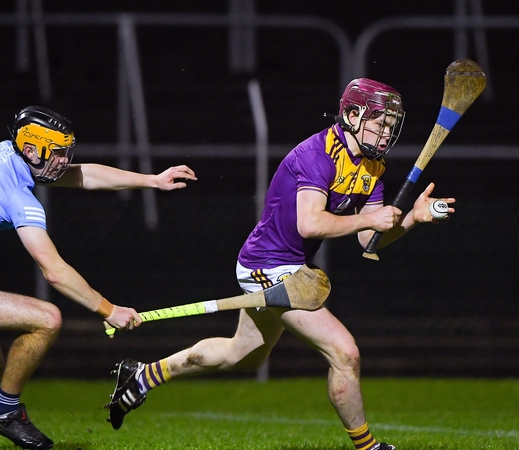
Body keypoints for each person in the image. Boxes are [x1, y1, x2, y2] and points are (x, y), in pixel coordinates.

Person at [103, 79, 456, 450]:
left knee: (242, 355)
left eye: (391, 126)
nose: (385, 134)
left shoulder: (373, 166)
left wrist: (412, 218)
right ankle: (368, 447)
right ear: (352, 116)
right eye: (380, 123)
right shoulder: (318, 155)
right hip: (267, 266)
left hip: (288, 267)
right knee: (345, 353)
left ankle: (141, 376)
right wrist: (370, 218)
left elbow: (370, 238)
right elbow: (311, 224)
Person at [0, 105, 197, 450]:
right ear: (30, 150)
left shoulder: (7, 156)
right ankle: (5, 412)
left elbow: (82, 175)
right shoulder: (15, 196)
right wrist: (109, 309)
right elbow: (54, 272)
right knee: (47, 319)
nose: (63, 161)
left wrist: (152, 180)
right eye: (57, 153)